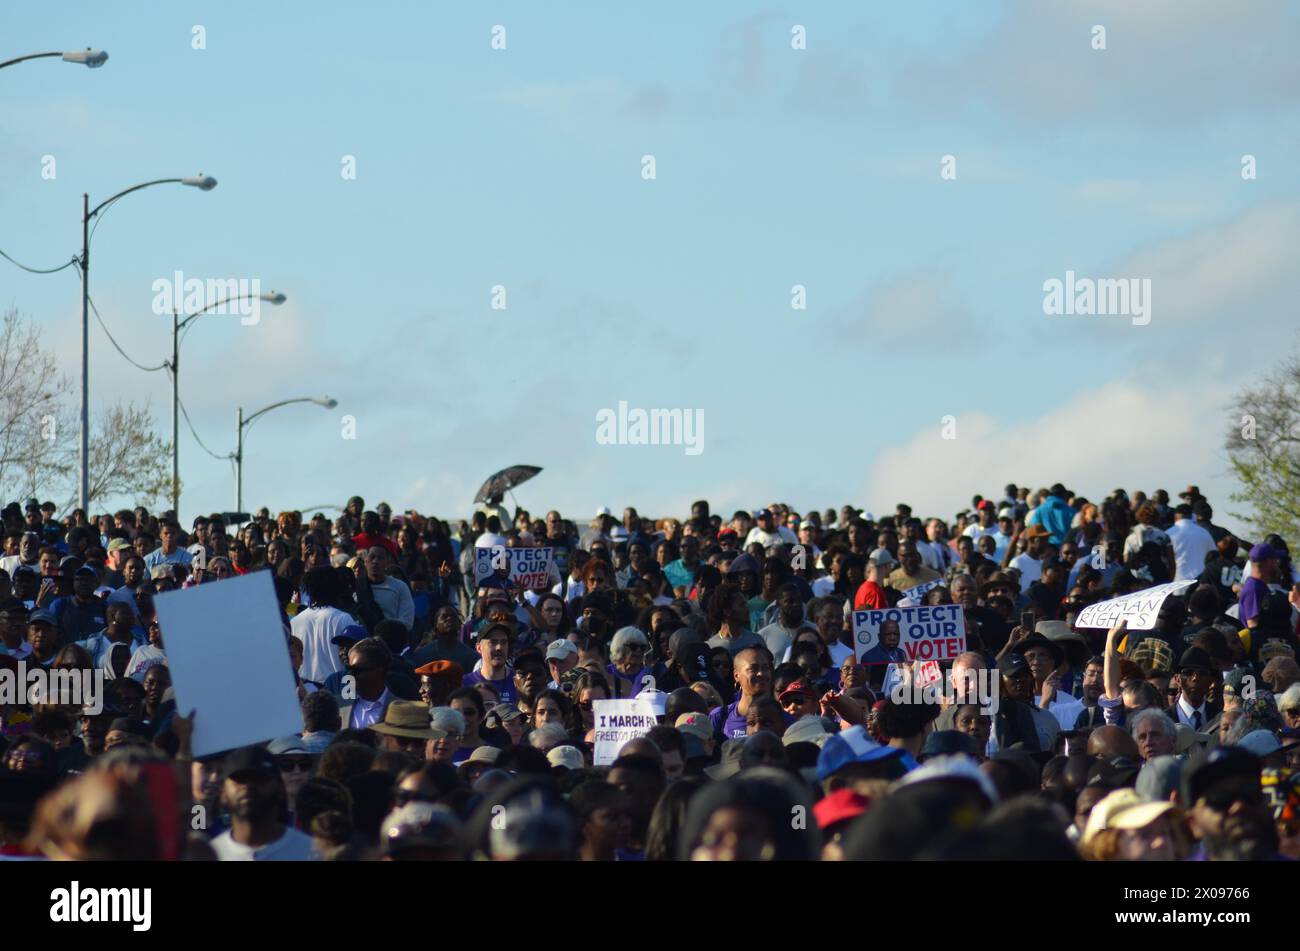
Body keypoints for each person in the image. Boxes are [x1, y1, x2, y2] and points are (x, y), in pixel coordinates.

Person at [210, 746, 317, 861]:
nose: (248, 787)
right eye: (239, 780)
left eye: (259, 779)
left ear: (280, 789)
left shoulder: (312, 853)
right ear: (223, 793)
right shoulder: (209, 855)